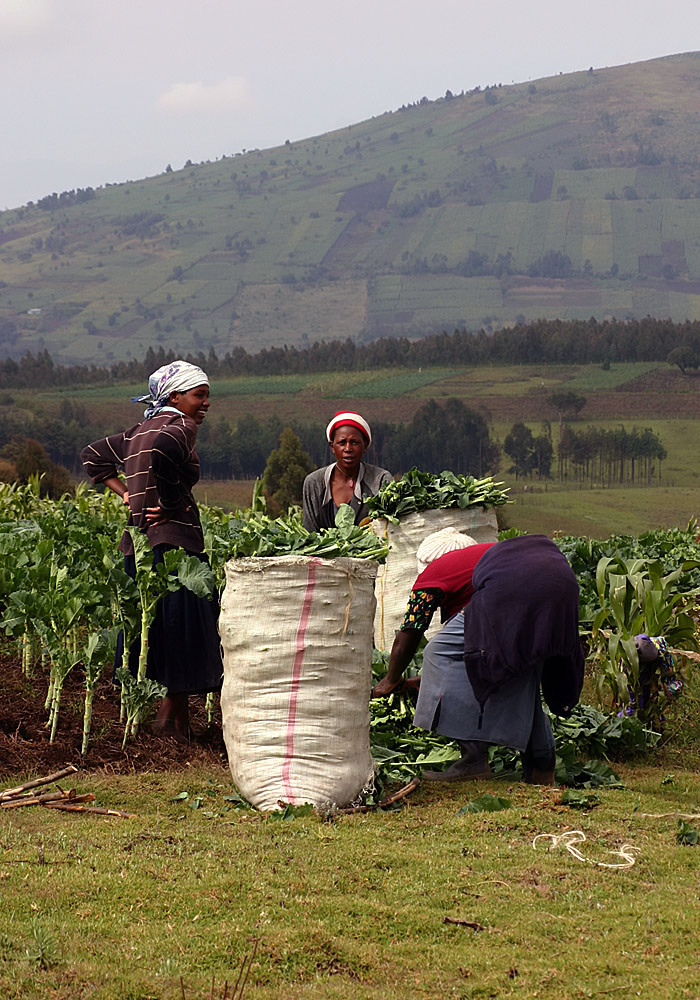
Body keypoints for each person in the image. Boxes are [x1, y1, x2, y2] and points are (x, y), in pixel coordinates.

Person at [81, 360, 223, 740]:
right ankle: (170, 721)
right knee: (182, 626)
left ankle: (172, 719)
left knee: (154, 626)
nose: (205, 404)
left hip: (139, 544)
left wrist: (127, 493)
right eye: (199, 395)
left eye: (207, 396)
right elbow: (166, 454)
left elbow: (92, 455)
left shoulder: (138, 430)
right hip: (175, 541)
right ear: (175, 396)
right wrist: (174, 501)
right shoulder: (180, 426)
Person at [372, 530, 584, 784]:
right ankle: (542, 766)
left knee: (436, 652)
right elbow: (478, 649)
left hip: (519, 587)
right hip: (559, 578)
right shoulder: (482, 563)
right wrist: (434, 679)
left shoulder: (433, 574)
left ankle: (473, 759)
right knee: (522, 672)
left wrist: (390, 679)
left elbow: (410, 634)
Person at [302, 411, 392, 532]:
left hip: (370, 550)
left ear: (365, 446)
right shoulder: (314, 483)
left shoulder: (380, 480)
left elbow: (389, 529)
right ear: (332, 447)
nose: (348, 449)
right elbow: (310, 533)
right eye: (342, 443)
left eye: (354, 442)